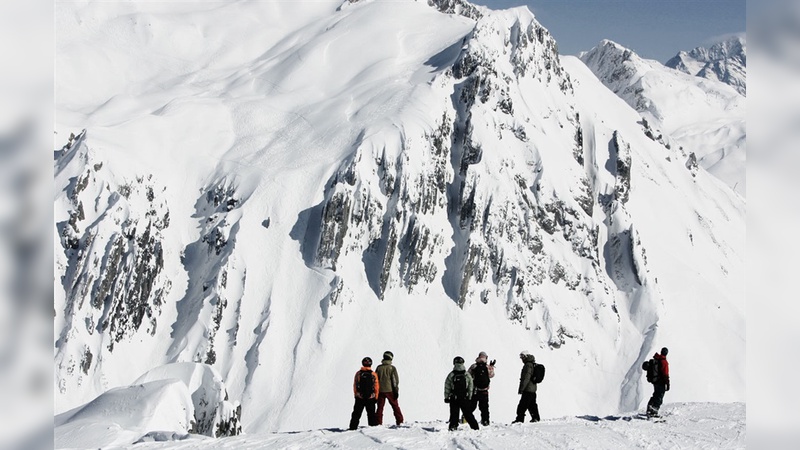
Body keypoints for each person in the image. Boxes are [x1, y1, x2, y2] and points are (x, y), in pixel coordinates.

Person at [444, 356, 480, 431]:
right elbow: (470, 386)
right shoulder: (466, 374)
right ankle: (475, 427)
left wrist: (446, 397)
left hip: (454, 397)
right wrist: (470, 396)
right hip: (464, 397)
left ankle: (453, 426)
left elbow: (447, 386)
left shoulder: (451, 374)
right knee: (468, 413)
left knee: (454, 413)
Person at [349, 356, 380, 430]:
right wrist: (376, 397)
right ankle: (373, 428)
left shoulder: (358, 373)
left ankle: (353, 427)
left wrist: (356, 394)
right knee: (371, 414)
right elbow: (376, 386)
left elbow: (355, 385)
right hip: (371, 397)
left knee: (356, 414)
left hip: (360, 397)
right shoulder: (373, 374)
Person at [375, 350, 404, 426]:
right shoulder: (392, 368)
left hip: (380, 391)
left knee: (380, 407)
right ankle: (399, 421)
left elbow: (375, 379)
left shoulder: (379, 368)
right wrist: (396, 391)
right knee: (395, 406)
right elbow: (395, 381)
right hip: (390, 390)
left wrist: (375, 391)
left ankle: (378, 423)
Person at [467, 351, 495, 426]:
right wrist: (492, 367)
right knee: (484, 407)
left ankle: (466, 418)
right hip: (484, 390)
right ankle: (485, 420)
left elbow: (468, 375)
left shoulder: (474, 366)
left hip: (475, 390)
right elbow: (491, 375)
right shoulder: (487, 367)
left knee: (472, 405)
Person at [512, 350, 540, 423]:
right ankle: (536, 417)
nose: (521, 359)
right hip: (533, 389)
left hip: (528, 389)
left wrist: (521, 388)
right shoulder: (532, 364)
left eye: (522, 357)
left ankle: (519, 419)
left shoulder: (527, 365)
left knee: (522, 406)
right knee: (532, 405)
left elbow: (526, 378)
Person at [646, 347, 670, 417]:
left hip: (655, 381)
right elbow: (665, 374)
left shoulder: (657, 359)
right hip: (661, 382)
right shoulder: (664, 362)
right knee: (660, 396)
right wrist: (667, 383)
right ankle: (654, 411)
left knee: (656, 394)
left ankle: (650, 407)